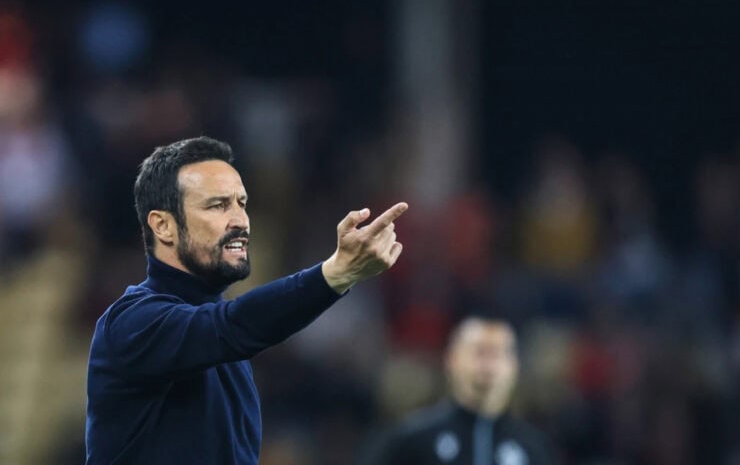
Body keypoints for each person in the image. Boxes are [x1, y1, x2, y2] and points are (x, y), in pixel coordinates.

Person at [85, 136, 408, 464]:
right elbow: (232, 326)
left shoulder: (226, 342)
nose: (240, 220)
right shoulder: (132, 323)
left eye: (241, 203)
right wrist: (335, 274)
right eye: (217, 205)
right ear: (163, 225)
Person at [360, 316, 557, 465]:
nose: (489, 365)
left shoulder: (534, 448)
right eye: (479, 352)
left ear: (514, 366)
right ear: (452, 359)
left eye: (498, 354)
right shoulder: (412, 440)